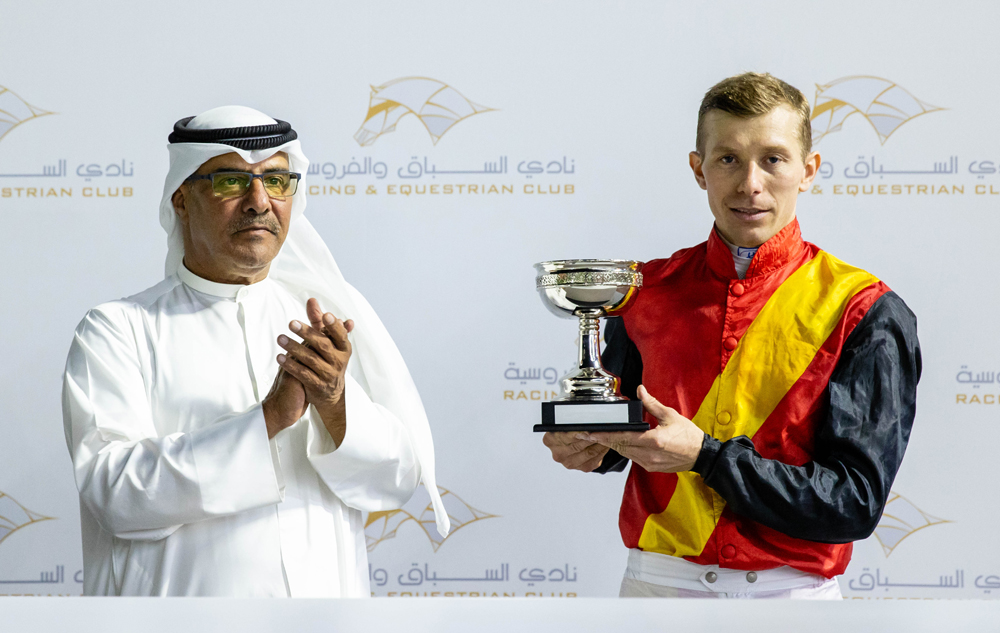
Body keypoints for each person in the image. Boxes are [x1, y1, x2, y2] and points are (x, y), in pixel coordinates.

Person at [542, 73, 920, 599]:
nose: (750, 184)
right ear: (698, 170)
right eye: (727, 159)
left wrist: (708, 457)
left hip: (793, 598)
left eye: (773, 158)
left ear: (808, 170)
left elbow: (854, 502)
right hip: (657, 589)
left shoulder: (865, 310)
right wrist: (589, 446)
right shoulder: (641, 292)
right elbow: (627, 429)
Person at [62, 106, 449, 597]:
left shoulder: (330, 320)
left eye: (277, 181)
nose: (259, 201)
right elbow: (114, 494)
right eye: (230, 182)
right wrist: (268, 417)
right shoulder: (117, 330)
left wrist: (335, 405)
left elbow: (393, 482)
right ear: (182, 199)